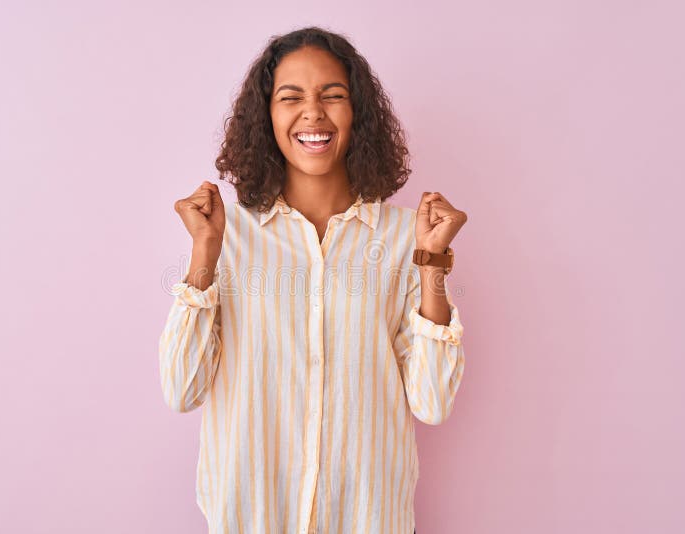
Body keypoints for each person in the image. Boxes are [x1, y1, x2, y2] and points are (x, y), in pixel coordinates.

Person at [159, 26, 467, 534]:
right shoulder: (223, 232)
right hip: (251, 517)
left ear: (357, 114)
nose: (313, 113)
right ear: (267, 116)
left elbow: (432, 403)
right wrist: (205, 252)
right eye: (291, 97)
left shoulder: (402, 237)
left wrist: (432, 262)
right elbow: (181, 390)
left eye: (333, 95)